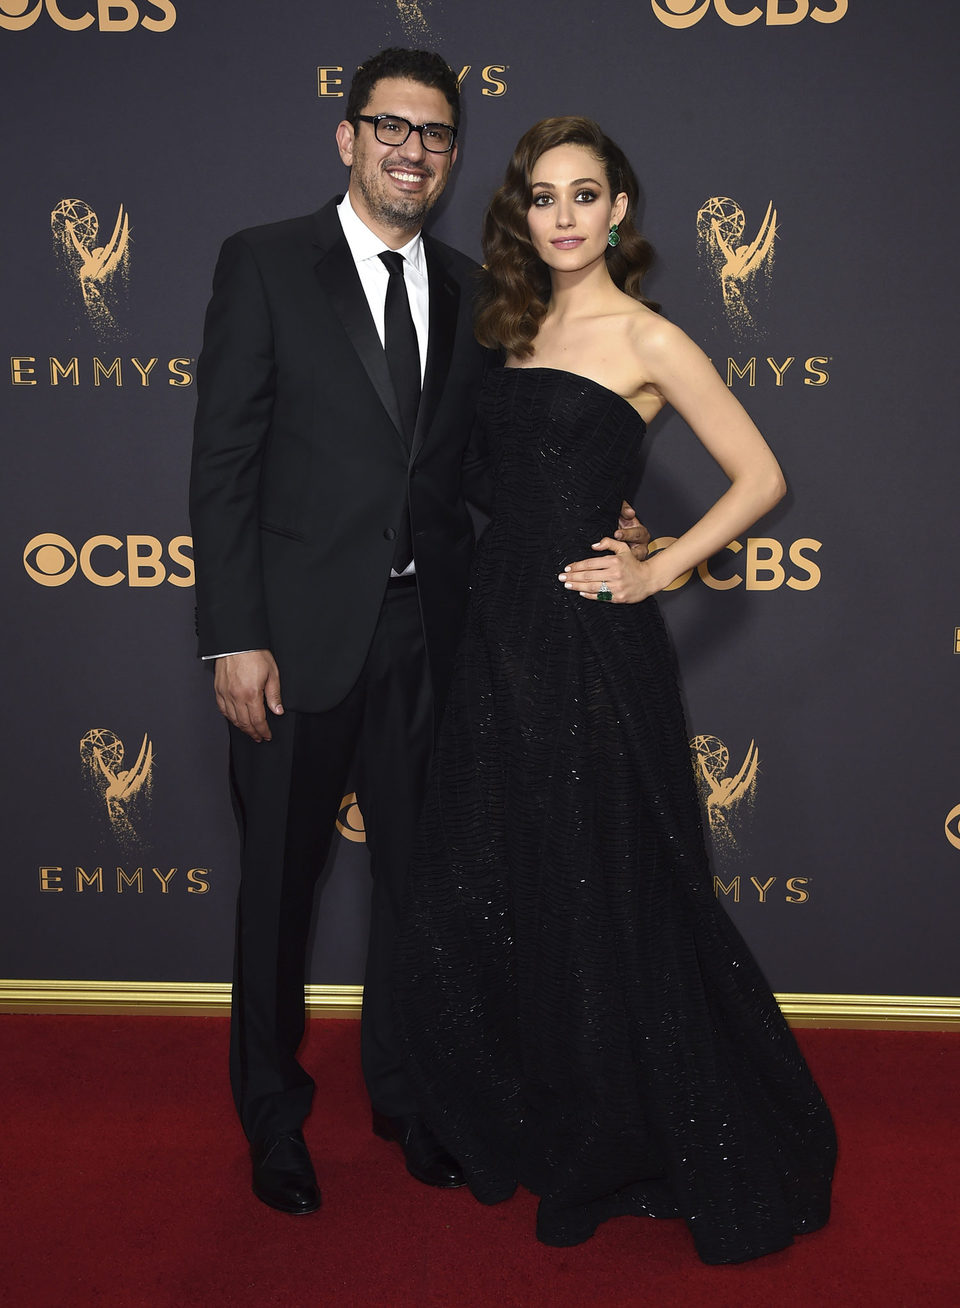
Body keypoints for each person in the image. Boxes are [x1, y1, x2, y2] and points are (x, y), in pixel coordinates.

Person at [189, 54, 647, 1216]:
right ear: (348, 138)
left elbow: (486, 468)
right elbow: (224, 463)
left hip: (434, 637)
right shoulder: (264, 262)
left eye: (436, 135)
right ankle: (273, 1120)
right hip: (292, 644)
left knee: (421, 886)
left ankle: (406, 1093)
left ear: (451, 157)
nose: (413, 149)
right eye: (391, 126)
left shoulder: (472, 288)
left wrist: (612, 517)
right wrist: (233, 633)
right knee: (277, 897)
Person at [394, 117, 837, 1264]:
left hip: (589, 646)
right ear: (523, 214)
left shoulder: (650, 336)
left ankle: (622, 1126)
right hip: (495, 629)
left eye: (585, 196)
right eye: (543, 198)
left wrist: (660, 563)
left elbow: (764, 475)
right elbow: (514, 478)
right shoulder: (510, 324)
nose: (564, 217)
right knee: (490, 874)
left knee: (604, 882)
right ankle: (518, 1110)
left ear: (619, 211)